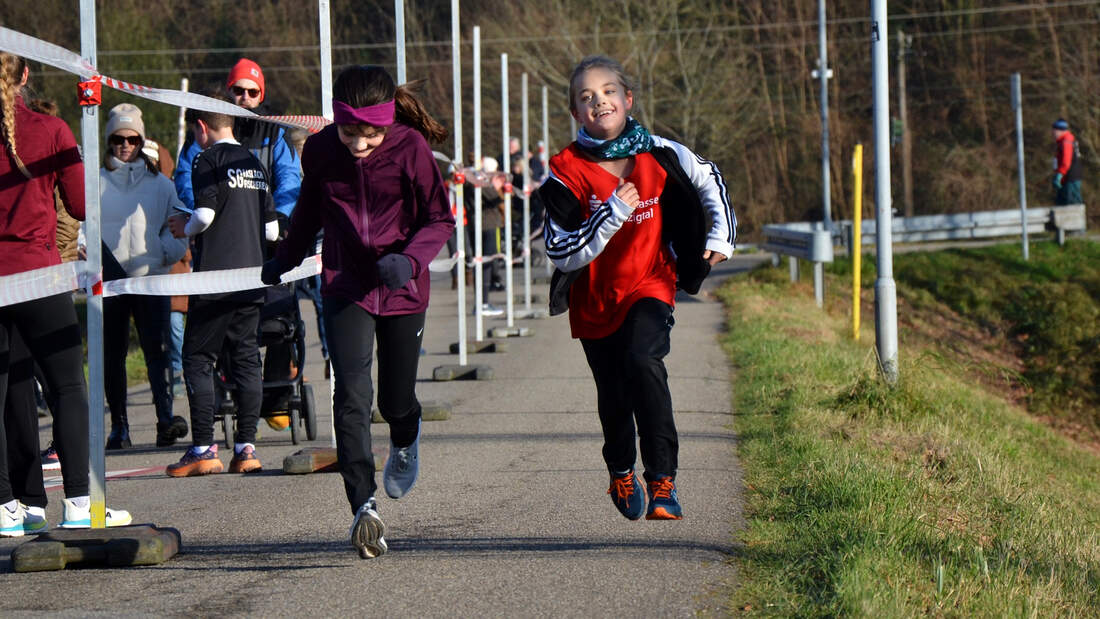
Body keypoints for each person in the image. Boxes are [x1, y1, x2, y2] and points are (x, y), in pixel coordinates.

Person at [261, 65, 454, 559]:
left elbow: (439, 218)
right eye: (351, 133)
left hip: (402, 286)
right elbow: (308, 210)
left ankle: (406, 442)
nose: (360, 145)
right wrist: (285, 257)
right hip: (346, 283)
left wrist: (409, 259)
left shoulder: (410, 148)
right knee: (350, 393)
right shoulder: (324, 150)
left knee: (394, 401)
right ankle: (362, 505)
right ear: (338, 122)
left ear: (386, 123)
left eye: (370, 135)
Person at [536, 55, 735, 521]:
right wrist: (608, 217)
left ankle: (663, 480)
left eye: (607, 92)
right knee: (614, 392)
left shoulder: (661, 153)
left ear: (627, 99)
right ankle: (620, 468)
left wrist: (719, 238)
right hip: (594, 300)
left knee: (644, 362)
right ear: (575, 113)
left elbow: (710, 180)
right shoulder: (565, 172)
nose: (598, 101)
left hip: (652, 283)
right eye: (586, 97)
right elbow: (560, 251)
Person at [0, 53, 132, 534]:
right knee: (68, 388)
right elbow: (79, 204)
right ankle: (79, 500)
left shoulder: (47, 129)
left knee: (10, 388)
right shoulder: (51, 129)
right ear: (27, 76)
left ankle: (10, 507)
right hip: (37, 272)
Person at [165, 94, 278, 477]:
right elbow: (272, 228)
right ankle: (247, 447)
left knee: (198, 358)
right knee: (247, 359)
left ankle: (202, 448)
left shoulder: (206, 158)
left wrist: (185, 226)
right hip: (252, 277)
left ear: (201, 128)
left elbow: (205, 214)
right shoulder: (254, 163)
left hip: (216, 277)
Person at [95, 103, 190, 449]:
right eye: (118, 139)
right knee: (113, 355)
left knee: (159, 352)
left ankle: (165, 419)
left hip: (152, 280)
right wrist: (88, 255)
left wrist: (163, 252)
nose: (125, 145)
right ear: (108, 140)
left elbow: (180, 227)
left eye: (132, 139)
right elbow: (79, 227)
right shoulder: (95, 183)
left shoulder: (161, 185)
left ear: (141, 139)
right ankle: (119, 426)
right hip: (109, 284)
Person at [174, 58, 300, 224]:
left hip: (263, 226)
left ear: (261, 96)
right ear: (229, 91)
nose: (245, 97)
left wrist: (278, 217)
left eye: (253, 92)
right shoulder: (207, 128)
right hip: (215, 225)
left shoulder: (276, 130)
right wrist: (201, 211)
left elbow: (289, 177)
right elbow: (185, 176)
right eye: (239, 90)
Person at [464, 155, 507, 316]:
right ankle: (483, 303)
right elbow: (495, 198)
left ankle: (483, 302)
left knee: (483, 264)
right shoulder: (478, 180)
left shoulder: (472, 179)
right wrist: (496, 186)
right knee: (487, 264)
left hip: (479, 224)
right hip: (487, 224)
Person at [1051, 119, 1083, 206]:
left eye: (1054, 130)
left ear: (1060, 130)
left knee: (1072, 205)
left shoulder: (1066, 141)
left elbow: (1066, 161)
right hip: (1067, 179)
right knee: (1063, 205)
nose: (1052, 133)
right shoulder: (1063, 141)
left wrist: (1059, 175)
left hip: (1070, 179)